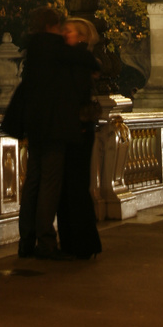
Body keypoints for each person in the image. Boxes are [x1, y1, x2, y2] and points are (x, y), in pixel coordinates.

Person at [4, 6, 99, 260]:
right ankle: (46, 240)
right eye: (60, 27)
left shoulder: (34, 49)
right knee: (50, 183)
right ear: (52, 26)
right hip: (55, 127)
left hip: (34, 126)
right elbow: (90, 61)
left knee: (32, 182)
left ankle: (26, 240)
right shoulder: (56, 48)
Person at [56, 18, 102, 260]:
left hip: (77, 129)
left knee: (73, 187)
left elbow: (78, 94)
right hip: (79, 128)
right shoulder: (82, 60)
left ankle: (78, 243)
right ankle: (80, 242)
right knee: (75, 187)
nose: (64, 34)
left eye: (69, 31)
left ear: (82, 37)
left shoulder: (78, 59)